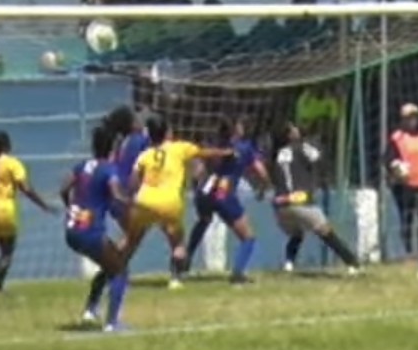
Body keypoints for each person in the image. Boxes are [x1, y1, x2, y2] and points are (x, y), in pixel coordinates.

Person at [124, 116, 227, 287]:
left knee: (130, 240)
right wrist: (225, 152)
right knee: (177, 242)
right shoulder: (179, 148)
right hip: (169, 202)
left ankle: (115, 273)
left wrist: (131, 198)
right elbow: (204, 152)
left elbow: (133, 182)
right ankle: (175, 278)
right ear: (168, 132)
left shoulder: (145, 155)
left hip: (145, 201)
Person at [62, 126, 133, 332]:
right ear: (112, 147)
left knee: (109, 264)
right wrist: (131, 202)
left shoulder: (82, 166)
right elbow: (116, 194)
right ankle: (112, 323)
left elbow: (64, 188)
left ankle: (90, 310)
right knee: (120, 270)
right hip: (90, 232)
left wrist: (70, 207)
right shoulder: (109, 169)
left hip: (72, 230)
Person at [0, 130, 54, 296]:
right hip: (3, 208)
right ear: (6, 145)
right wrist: (43, 205)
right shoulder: (12, 163)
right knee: (6, 250)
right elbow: (25, 187)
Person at [185, 118, 269, 284]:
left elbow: (200, 165)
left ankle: (185, 260)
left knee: (203, 221)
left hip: (206, 189)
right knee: (248, 237)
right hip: (224, 191)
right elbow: (262, 172)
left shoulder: (218, 146)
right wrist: (263, 188)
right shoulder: (246, 148)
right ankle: (238, 273)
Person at [273, 124, 363, 275]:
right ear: (290, 135)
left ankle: (289, 263)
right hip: (300, 200)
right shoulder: (302, 147)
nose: (298, 130)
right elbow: (318, 158)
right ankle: (352, 263)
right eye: (294, 129)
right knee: (326, 232)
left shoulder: (277, 153)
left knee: (297, 233)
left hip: (281, 205)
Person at [386, 103, 418, 258]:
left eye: (414, 118)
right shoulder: (397, 137)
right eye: (408, 118)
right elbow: (388, 157)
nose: (411, 121)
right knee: (407, 217)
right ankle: (407, 251)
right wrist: (396, 166)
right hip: (404, 184)